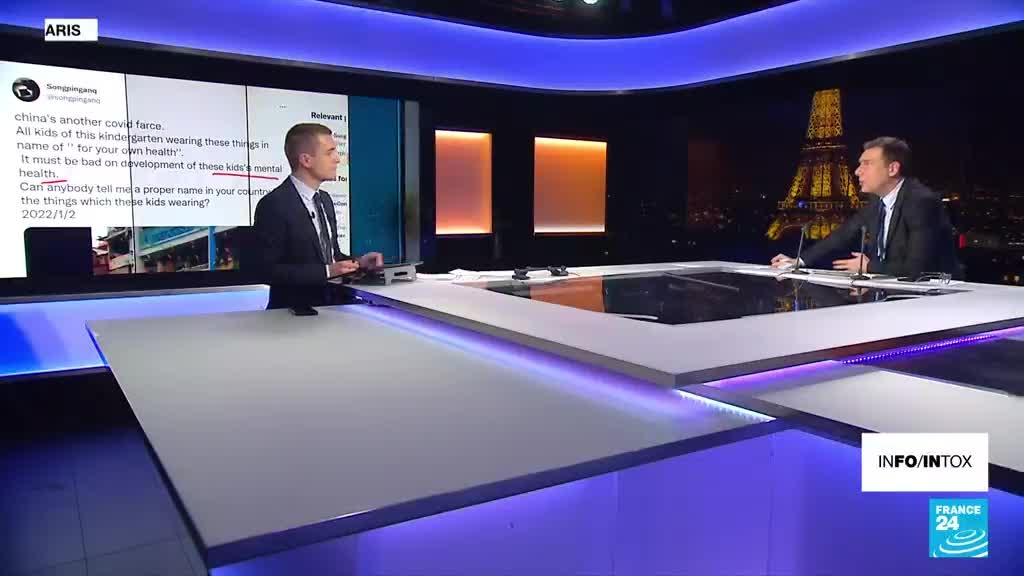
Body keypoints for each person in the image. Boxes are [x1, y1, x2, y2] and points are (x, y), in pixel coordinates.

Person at [771, 137, 961, 279]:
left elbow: (918, 270)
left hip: (933, 300)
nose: (856, 171)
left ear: (892, 169)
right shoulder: (877, 202)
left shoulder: (921, 202)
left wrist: (869, 267)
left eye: (866, 164)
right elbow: (843, 234)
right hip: (892, 293)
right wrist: (798, 261)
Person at [252, 123, 382, 310]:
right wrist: (326, 271)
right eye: (330, 152)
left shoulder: (325, 200)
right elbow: (267, 270)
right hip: (293, 315)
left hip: (331, 309)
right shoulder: (274, 205)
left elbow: (330, 256)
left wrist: (359, 262)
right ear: (306, 160)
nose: (337, 159)